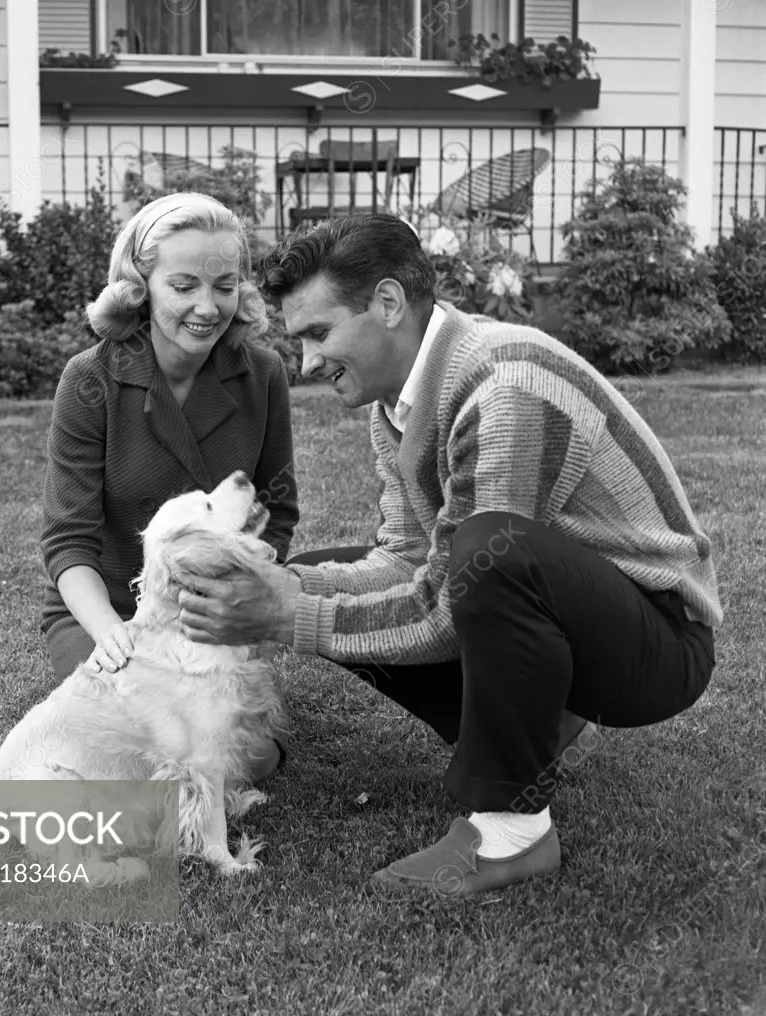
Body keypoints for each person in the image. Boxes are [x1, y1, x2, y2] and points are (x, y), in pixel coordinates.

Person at [175, 213, 721, 896]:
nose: (308, 363)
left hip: (657, 645)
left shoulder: (507, 384)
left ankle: (510, 834)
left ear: (386, 304)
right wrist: (287, 590)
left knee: (488, 553)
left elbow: (453, 596)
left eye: (319, 333)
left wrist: (290, 615)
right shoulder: (398, 403)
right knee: (317, 574)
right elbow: (407, 558)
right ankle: (537, 723)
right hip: (571, 616)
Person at [39, 192, 300, 778]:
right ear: (140, 287)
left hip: (213, 611)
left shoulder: (263, 375)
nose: (208, 307)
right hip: (111, 611)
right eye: (183, 286)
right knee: (126, 749)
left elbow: (276, 510)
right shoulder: (89, 380)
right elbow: (68, 542)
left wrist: (235, 601)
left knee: (253, 763)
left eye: (225, 286)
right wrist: (113, 636)